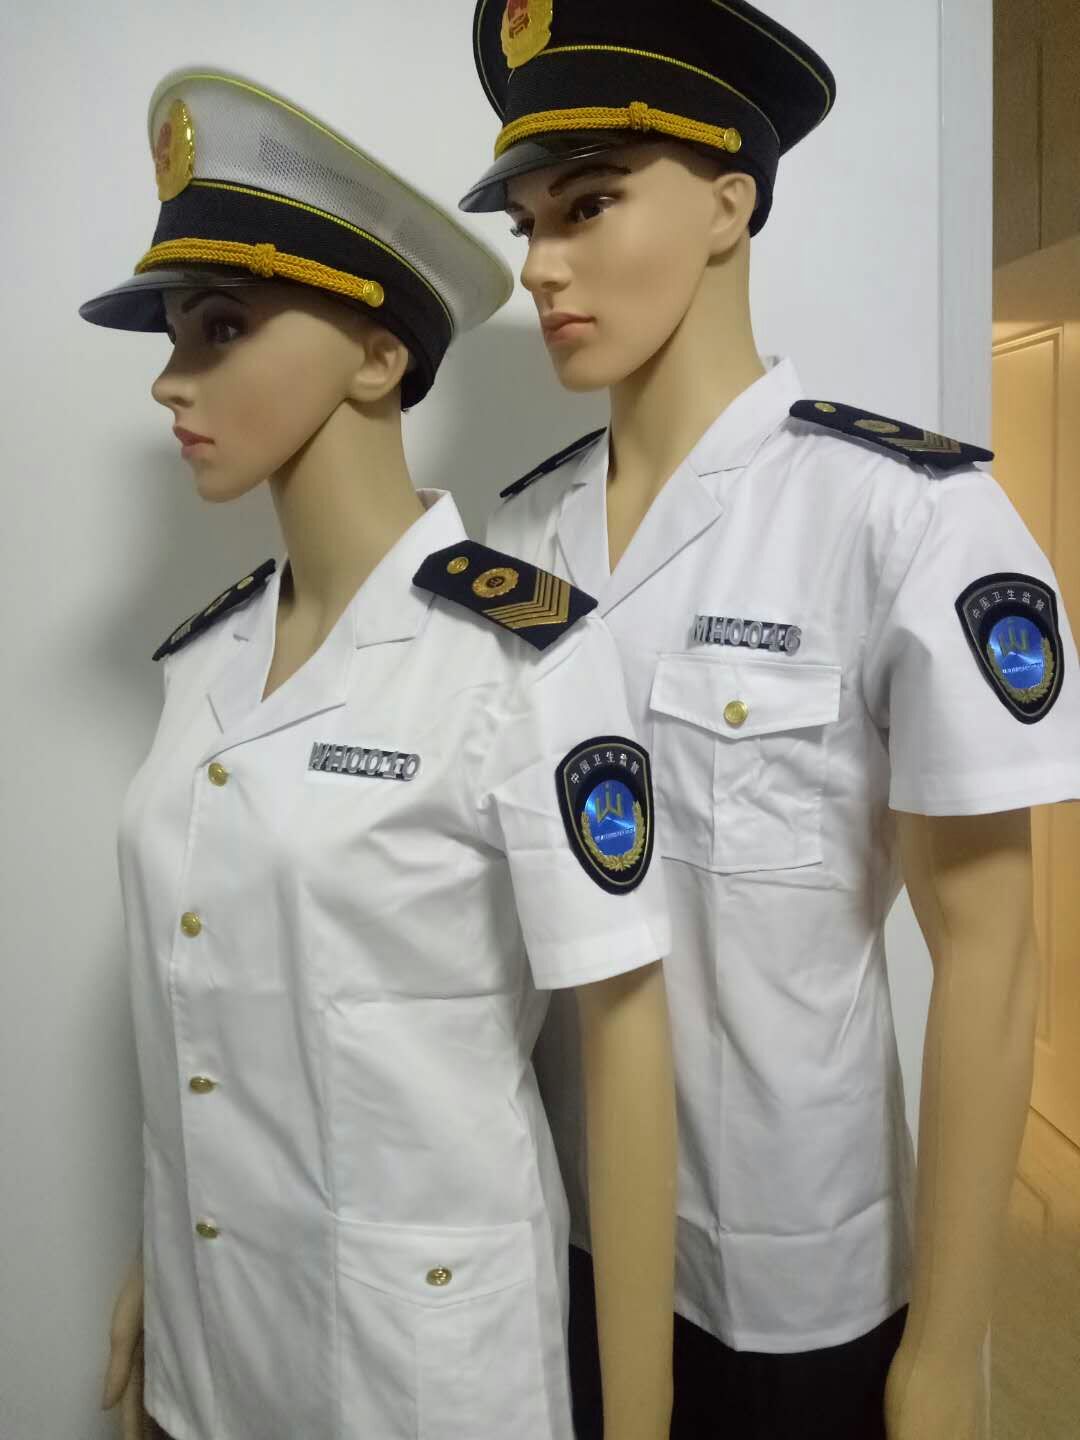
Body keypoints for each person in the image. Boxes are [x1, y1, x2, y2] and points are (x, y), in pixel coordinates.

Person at [458, 3, 1080, 1438]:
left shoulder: (901, 519)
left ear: (730, 204)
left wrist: (947, 1355)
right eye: (529, 223)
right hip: (553, 1238)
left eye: (590, 204)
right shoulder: (516, 542)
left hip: (790, 1278)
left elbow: (990, 957)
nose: (541, 264)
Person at [83, 67, 677, 1440]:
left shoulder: (525, 659)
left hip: (420, 1378)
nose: (171, 380)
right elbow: (211, 1018)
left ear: (377, 356)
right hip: (210, 1360)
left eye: (222, 327)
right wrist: (162, 1267)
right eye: (173, 334)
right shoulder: (203, 662)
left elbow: (626, 1046)